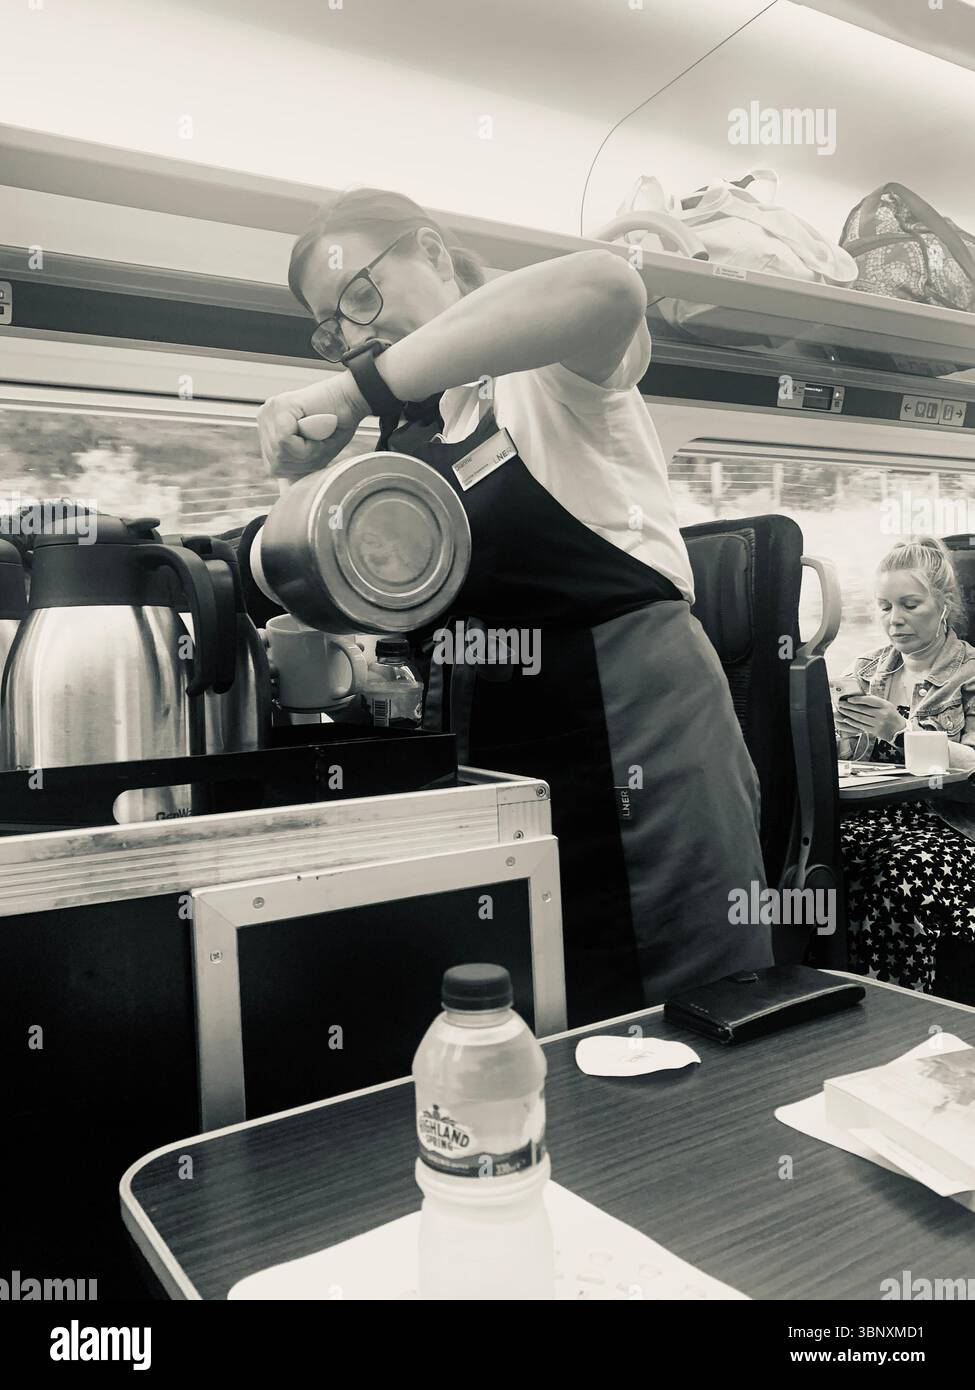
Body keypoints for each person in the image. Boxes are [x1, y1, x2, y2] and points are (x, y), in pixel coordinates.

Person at [257, 186, 771, 1025]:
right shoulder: (411, 443)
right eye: (332, 327)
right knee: (534, 1016)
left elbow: (606, 287)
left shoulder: (546, 369)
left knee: (682, 1015)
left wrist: (356, 390)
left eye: (358, 295)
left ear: (429, 250)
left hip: (638, 728)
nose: (353, 334)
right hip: (501, 759)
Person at [836, 536, 975, 992]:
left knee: (896, 868)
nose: (894, 620)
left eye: (910, 605)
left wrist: (901, 731)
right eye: (883, 607)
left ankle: (899, 1007)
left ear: (945, 605)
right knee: (812, 852)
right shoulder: (868, 670)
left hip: (951, 823)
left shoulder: (969, 674)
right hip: (872, 815)